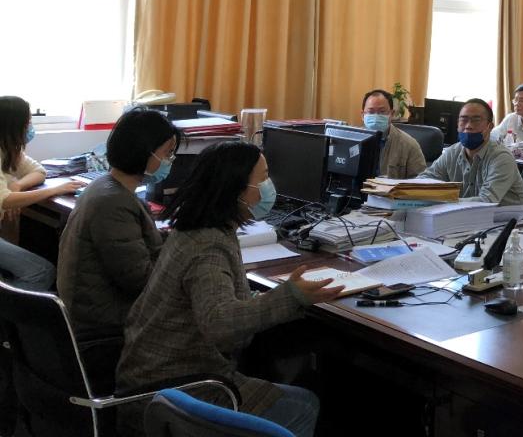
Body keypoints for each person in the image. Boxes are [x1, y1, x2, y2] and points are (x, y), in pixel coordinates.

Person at [116, 142, 344, 437]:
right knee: (303, 405)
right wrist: (290, 296)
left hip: (153, 376)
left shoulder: (194, 229)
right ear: (235, 189)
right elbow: (220, 324)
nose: (268, 187)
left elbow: (210, 300)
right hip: (180, 386)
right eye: (263, 177)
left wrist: (259, 299)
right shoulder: (209, 246)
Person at [57, 108, 179, 339]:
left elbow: (139, 242)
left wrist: (181, 239)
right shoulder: (113, 203)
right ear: (144, 151)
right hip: (103, 329)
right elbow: (142, 280)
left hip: (97, 313)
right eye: (167, 153)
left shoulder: (107, 186)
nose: (170, 160)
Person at [0, 95, 85, 291]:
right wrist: (54, 190)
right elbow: (5, 200)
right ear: (13, 126)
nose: (30, 128)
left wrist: (18, 185)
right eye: (27, 123)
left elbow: (39, 171)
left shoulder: (8, 150)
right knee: (42, 272)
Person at [418, 98, 523, 205]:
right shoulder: (452, 153)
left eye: (476, 120)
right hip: (466, 215)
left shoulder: (501, 157)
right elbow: (424, 180)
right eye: (463, 120)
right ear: (457, 124)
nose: (468, 126)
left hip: (508, 216)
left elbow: (487, 201)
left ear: (490, 127)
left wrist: (441, 200)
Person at [361, 88, 426, 179]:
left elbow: (419, 182)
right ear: (363, 115)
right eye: (371, 112)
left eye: (382, 112)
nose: (376, 116)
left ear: (391, 114)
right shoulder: (351, 140)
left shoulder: (409, 145)